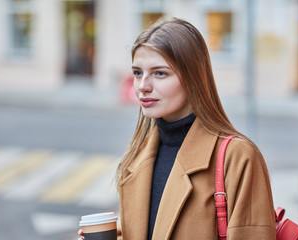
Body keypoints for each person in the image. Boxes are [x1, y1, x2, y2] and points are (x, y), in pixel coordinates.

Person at [79, 17, 276, 240]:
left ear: (193, 78)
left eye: (159, 73)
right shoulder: (136, 158)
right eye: (137, 73)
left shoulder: (238, 157)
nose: (143, 86)